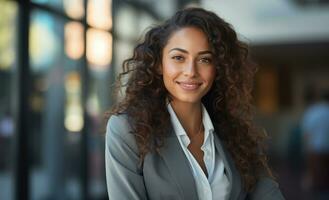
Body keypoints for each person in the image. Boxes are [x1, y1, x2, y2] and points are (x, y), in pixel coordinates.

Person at [105, 7, 284, 200]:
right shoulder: (128, 130)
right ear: (159, 64)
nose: (191, 71)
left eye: (205, 59)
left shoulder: (235, 132)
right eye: (178, 58)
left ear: (218, 68)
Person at [301, 90, 329, 199]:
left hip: (315, 150)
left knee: (317, 180)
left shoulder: (313, 111)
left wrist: (307, 150)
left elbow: (307, 134)